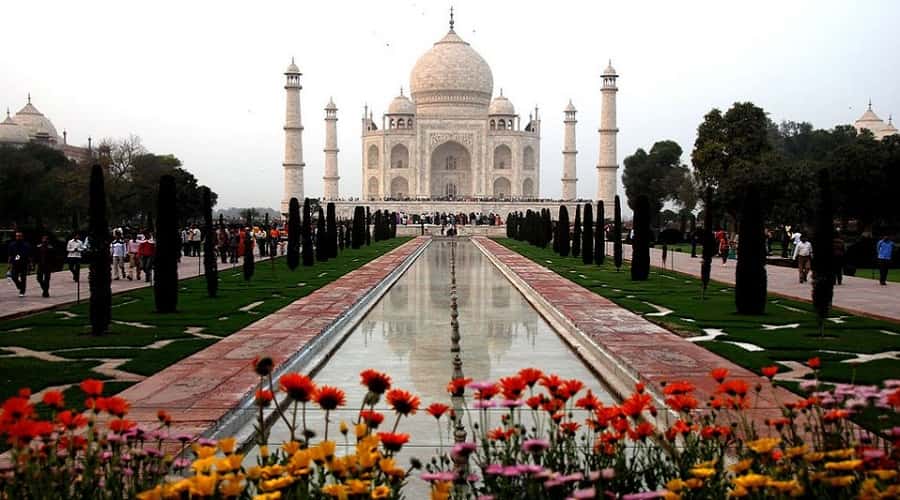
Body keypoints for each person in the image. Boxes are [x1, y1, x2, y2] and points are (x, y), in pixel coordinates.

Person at [7, 231, 32, 297]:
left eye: (19, 236)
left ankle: (22, 291)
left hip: (24, 263)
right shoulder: (12, 245)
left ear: (22, 237)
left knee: (23, 278)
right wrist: (9, 264)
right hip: (15, 263)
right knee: (13, 276)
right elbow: (10, 255)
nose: (18, 237)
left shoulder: (26, 245)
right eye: (17, 236)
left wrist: (30, 264)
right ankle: (20, 286)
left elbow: (29, 256)